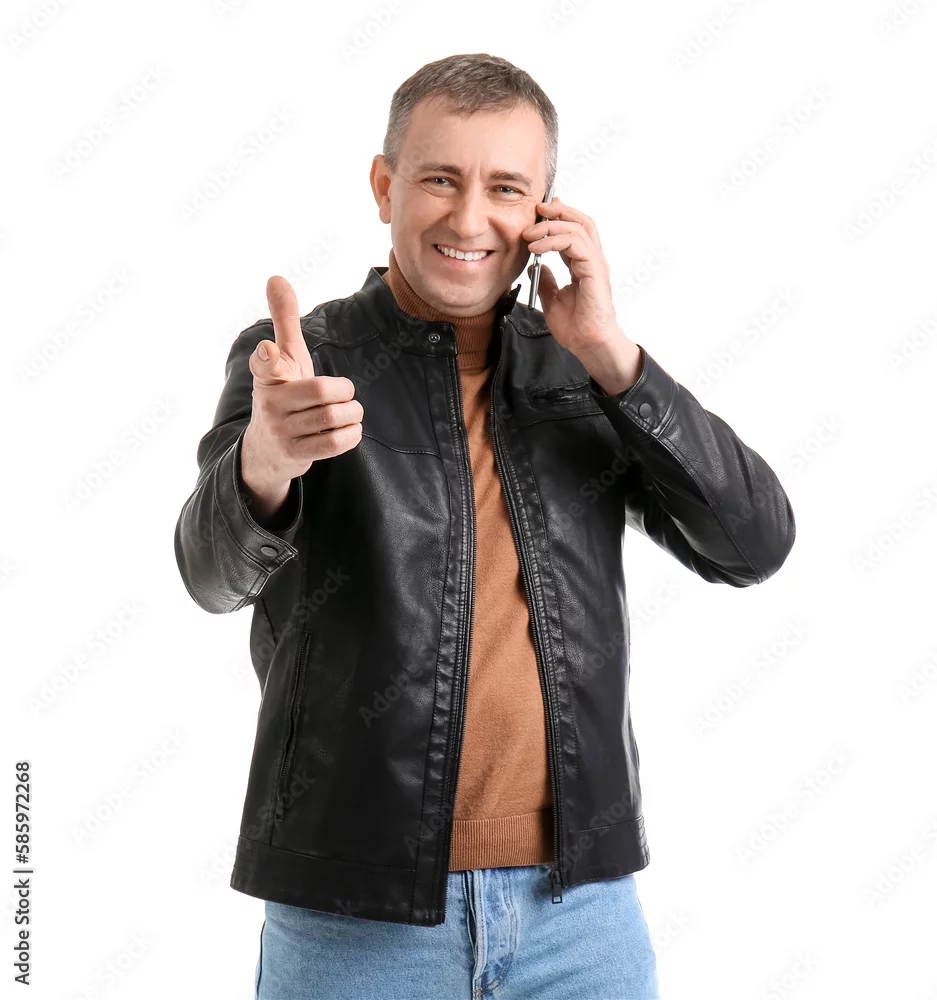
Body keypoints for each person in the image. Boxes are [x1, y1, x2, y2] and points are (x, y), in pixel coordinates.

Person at [174, 52, 796, 1000]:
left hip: (579, 916)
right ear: (384, 187)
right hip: (354, 915)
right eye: (438, 179)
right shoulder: (301, 363)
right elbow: (209, 575)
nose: (469, 220)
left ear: (545, 210)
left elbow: (752, 545)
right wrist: (265, 460)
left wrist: (612, 354)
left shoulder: (586, 371)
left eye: (505, 188)